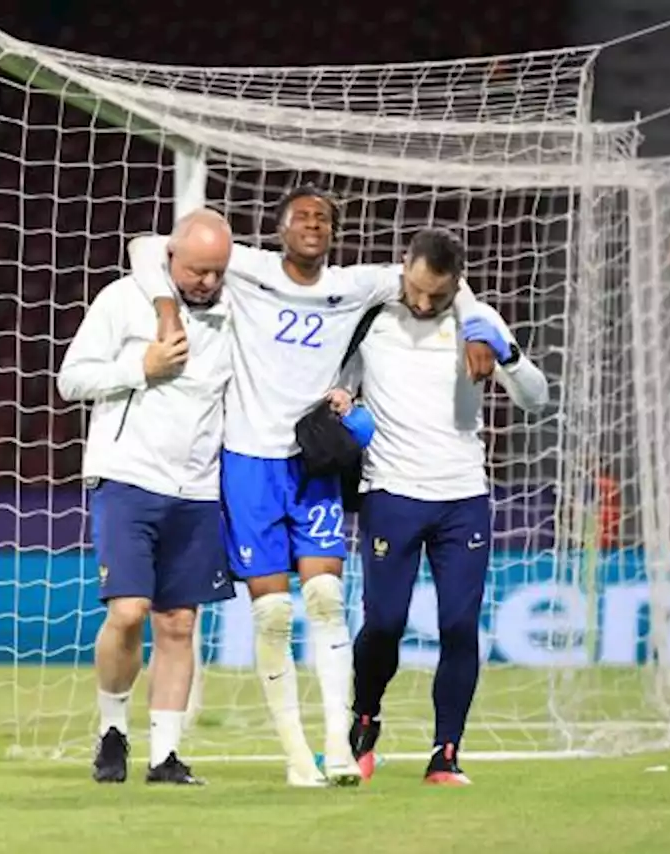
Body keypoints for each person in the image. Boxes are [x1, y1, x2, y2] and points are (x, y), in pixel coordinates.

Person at [127, 186, 495, 787]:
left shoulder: (359, 285)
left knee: (327, 603)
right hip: (249, 464)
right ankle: (297, 755)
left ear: (333, 233)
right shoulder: (246, 267)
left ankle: (337, 747)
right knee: (272, 614)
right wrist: (169, 309)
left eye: (324, 217)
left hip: (312, 464)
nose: (313, 223)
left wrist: (478, 327)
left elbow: (445, 279)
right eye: (302, 215)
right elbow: (148, 246)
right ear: (280, 229)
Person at [327, 227, 548, 785]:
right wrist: (340, 400)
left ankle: (445, 753)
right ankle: (365, 717)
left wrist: (509, 354)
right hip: (391, 493)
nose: (424, 303)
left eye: (438, 294)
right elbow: (338, 383)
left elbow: (536, 398)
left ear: (457, 284)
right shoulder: (373, 318)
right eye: (417, 289)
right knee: (384, 623)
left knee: (458, 625)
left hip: (462, 498)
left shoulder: (479, 322)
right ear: (404, 267)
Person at [56, 209, 237, 786]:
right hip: (127, 477)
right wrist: (142, 365)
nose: (207, 282)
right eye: (197, 270)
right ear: (171, 259)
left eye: (217, 271)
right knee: (128, 612)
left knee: (180, 623)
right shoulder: (123, 299)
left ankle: (165, 756)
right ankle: (113, 729)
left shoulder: (236, 313)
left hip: (198, 488)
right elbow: (71, 379)